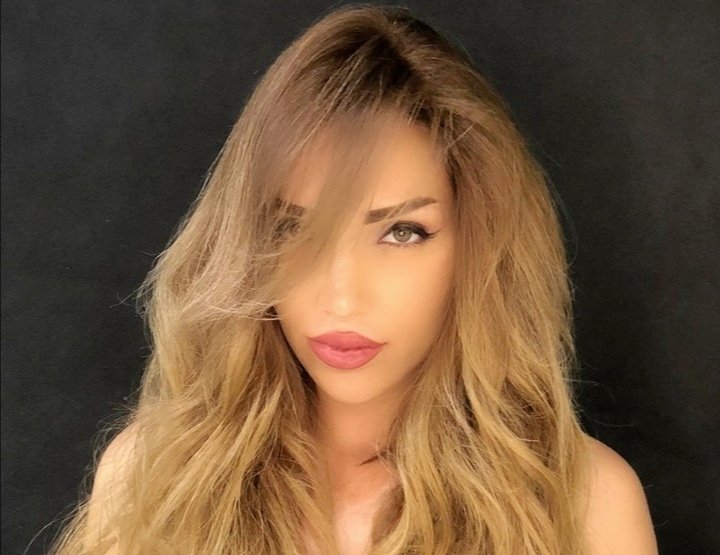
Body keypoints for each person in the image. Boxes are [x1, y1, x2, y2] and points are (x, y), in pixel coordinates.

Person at [47, 5, 658, 554]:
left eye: (402, 232)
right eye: (293, 229)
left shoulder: (584, 503)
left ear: (479, 244)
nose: (340, 298)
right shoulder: (151, 480)